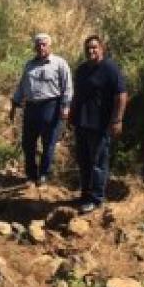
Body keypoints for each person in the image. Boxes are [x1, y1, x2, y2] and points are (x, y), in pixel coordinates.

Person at [69, 35, 128, 214]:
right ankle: (85, 194)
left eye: (94, 47)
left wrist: (117, 120)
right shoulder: (81, 70)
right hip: (82, 123)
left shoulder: (110, 68)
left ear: (102, 49)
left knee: (98, 162)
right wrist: (72, 116)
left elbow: (121, 95)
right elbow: (77, 96)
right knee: (84, 161)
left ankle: (96, 198)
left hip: (100, 125)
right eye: (88, 48)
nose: (91, 51)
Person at [9, 33, 73, 187]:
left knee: (48, 142)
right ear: (34, 47)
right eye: (38, 45)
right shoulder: (29, 65)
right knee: (28, 143)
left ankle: (43, 175)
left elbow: (67, 87)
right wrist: (14, 105)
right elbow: (22, 86)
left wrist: (65, 107)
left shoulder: (59, 63)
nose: (41, 47)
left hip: (51, 106)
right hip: (31, 108)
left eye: (44, 44)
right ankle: (31, 175)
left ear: (50, 46)